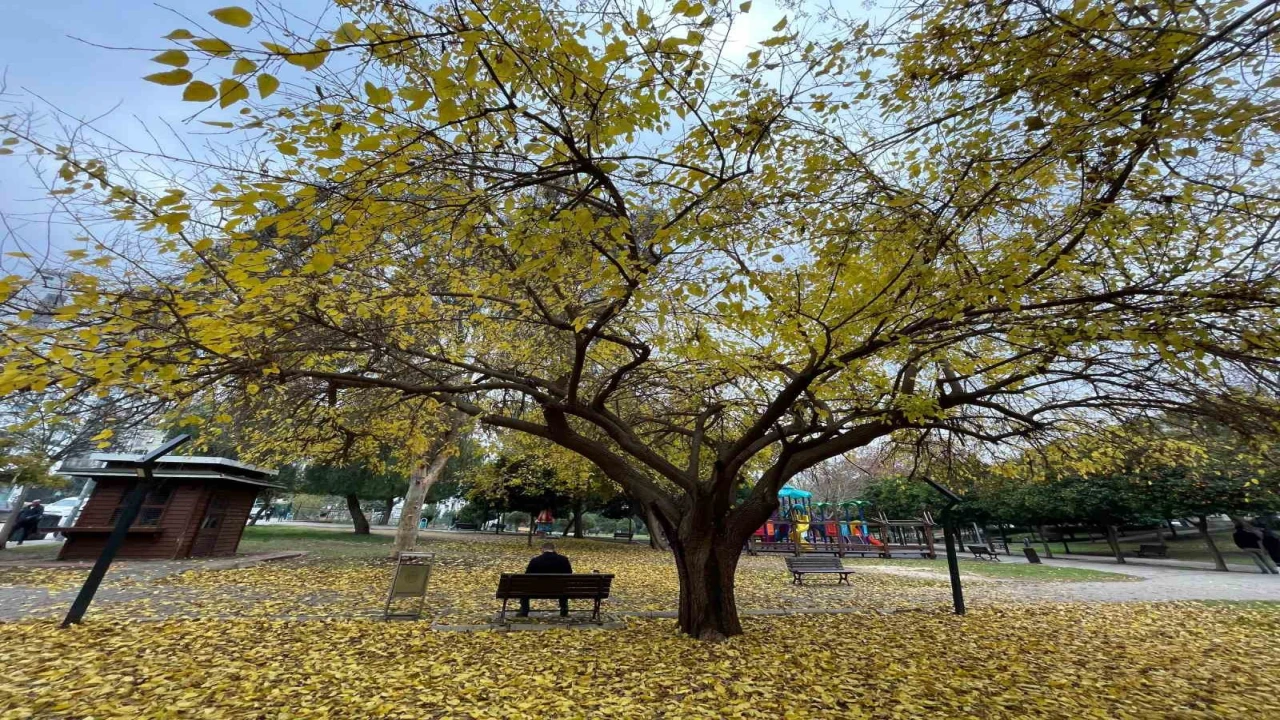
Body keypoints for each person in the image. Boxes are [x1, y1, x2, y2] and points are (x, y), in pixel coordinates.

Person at [518, 541, 573, 617]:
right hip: (559, 589)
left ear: (542, 549)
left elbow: (527, 576)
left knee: (524, 588)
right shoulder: (564, 560)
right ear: (554, 549)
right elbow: (569, 575)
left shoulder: (535, 560)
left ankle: (524, 611)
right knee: (562, 585)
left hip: (536, 590)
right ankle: (564, 609)